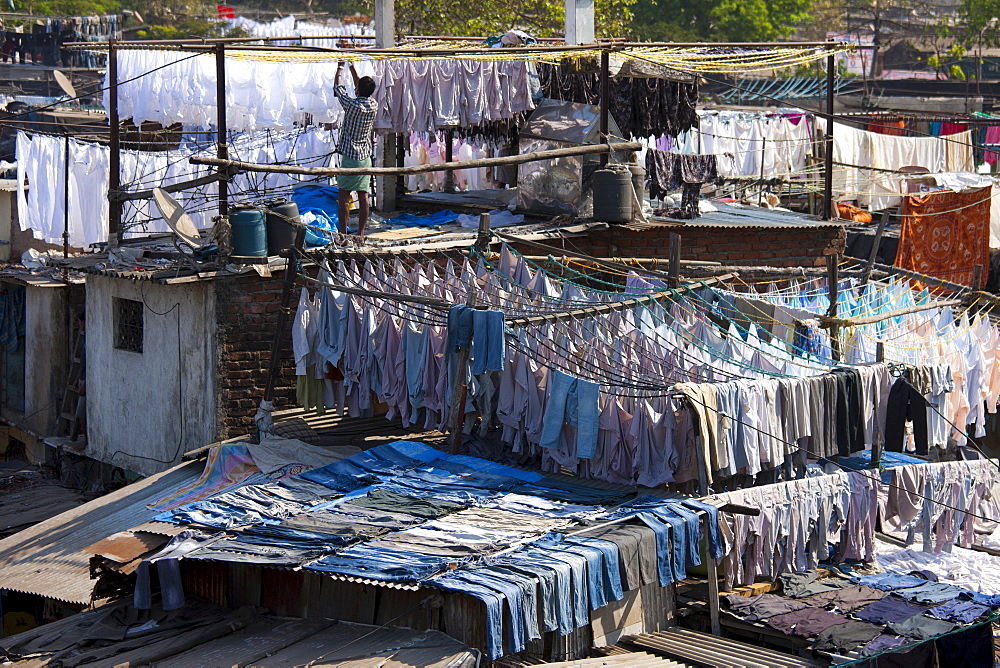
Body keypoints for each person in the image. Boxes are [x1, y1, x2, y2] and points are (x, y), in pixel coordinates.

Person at [333, 61, 377, 242]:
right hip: (365, 156)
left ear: (358, 89)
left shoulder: (351, 105)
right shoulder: (373, 105)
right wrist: (353, 69)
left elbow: (338, 87)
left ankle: (343, 234)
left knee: (344, 195)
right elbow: (361, 89)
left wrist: (341, 67)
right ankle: (360, 234)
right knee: (363, 195)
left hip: (350, 156)